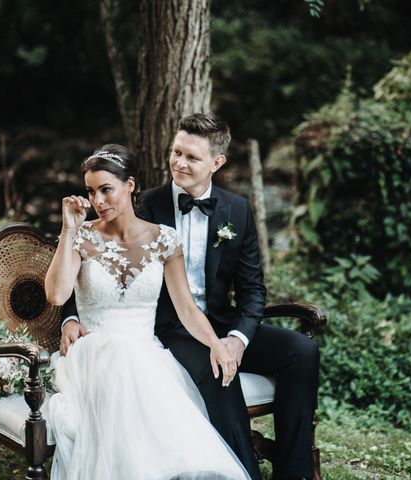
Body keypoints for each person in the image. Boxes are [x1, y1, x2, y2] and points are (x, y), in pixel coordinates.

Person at [61, 114, 320, 480]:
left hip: (219, 320)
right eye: (176, 152)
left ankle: (294, 474)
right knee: (219, 372)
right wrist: (70, 315)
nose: (179, 163)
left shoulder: (238, 210)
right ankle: (245, 473)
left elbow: (252, 290)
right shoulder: (141, 205)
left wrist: (237, 339)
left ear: (217, 163)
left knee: (301, 352)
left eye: (192, 157)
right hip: (168, 326)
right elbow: (90, 264)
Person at [44, 144, 250, 480]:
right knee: (122, 358)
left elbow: (186, 308)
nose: (98, 201)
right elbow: (56, 295)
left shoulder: (164, 239)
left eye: (106, 190)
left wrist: (216, 343)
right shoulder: (82, 237)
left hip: (145, 353)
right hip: (91, 357)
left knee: (135, 366)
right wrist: (68, 230)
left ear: (130, 185)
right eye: (91, 192)